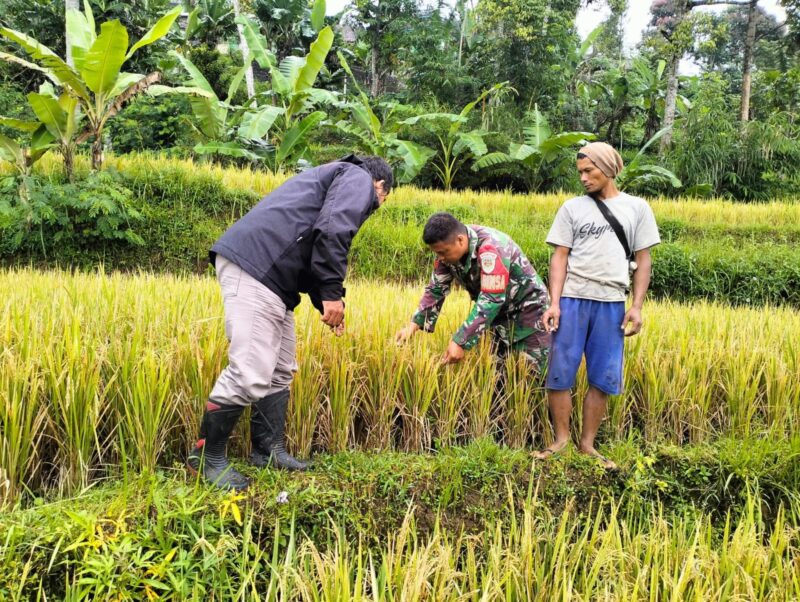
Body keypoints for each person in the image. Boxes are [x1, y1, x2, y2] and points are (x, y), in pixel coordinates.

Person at [188, 154, 393, 490]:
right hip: (258, 269)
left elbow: (315, 243)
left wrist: (324, 302)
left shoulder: (334, 178)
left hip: (273, 280)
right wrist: (331, 293)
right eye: (380, 201)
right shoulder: (358, 177)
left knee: (280, 369)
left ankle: (268, 451)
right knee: (249, 371)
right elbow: (332, 229)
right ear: (380, 186)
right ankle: (206, 460)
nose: (374, 206)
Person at [534, 142, 660, 469]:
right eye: (580, 173)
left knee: (602, 376)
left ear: (608, 169)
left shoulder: (637, 209)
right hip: (574, 299)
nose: (584, 178)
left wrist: (637, 306)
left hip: (612, 302)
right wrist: (555, 303)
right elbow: (559, 257)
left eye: (589, 171)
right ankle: (561, 440)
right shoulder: (572, 208)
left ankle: (587, 444)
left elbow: (643, 261)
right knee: (560, 372)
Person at [396, 212, 550, 372]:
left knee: (534, 379)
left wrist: (461, 341)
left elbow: (491, 299)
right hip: (497, 318)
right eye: (437, 253)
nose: (440, 258)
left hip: (529, 314)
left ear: (460, 240)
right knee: (497, 377)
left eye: (443, 252)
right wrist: (413, 326)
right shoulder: (447, 254)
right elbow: (436, 289)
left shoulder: (492, 248)